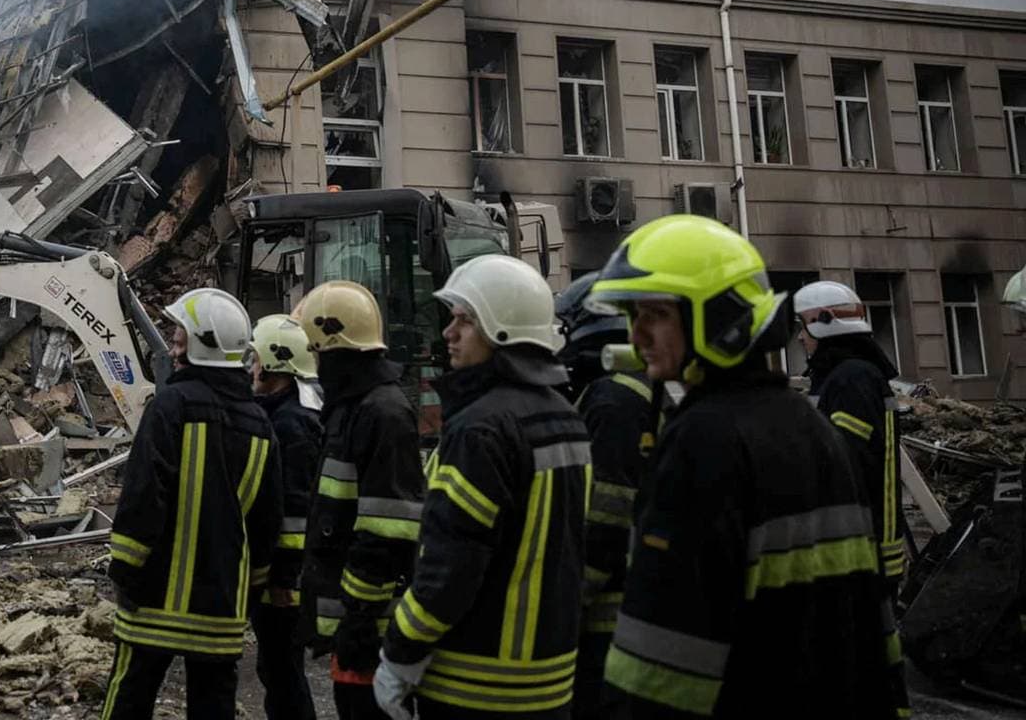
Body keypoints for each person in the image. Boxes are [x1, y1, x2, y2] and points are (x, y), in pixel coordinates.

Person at [587, 216, 907, 718]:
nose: (637, 333)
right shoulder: (808, 424)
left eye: (656, 314)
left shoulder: (702, 441)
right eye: (634, 315)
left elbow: (662, 660)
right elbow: (870, 621)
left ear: (716, 317)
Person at [372, 255, 589, 720]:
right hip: (550, 682)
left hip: (474, 685)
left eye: (465, 320)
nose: (449, 332)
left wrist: (400, 651)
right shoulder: (567, 418)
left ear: (501, 330)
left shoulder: (480, 428)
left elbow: (450, 566)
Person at [103, 287, 281, 720]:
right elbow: (266, 521)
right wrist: (252, 588)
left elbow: (143, 496)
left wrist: (124, 570)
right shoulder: (260, 424)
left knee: (129, 698)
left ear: (198, 347)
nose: (173, 350)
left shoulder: (170, 406)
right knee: (213, 706)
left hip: (153, 599)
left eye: (179, 341)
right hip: (221, 606)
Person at [294, 280, 424, 720]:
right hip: (356, 624)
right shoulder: (354, 408)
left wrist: (361, 616)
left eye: (316, 352)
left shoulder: (380, 413)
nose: (314, 364)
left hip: (373, 629)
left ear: (333, 348)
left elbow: (388, 529)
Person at [557, 272, 664, 719]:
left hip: (608, 618)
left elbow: (606, 516)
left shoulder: (610, 399)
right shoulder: (638, 387)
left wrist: (567, 602)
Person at [794, 281, 906, 591]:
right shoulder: (844, 375)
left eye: (803, 327)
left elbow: (844, 468)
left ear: (824, 321)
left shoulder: (851, 380)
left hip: (859, 555)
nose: (800, 337)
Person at [250, 314, 327, 720]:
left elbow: (296, 511)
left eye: (255, 359)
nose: (251, 368)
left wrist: (283, 579)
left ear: (273, 364)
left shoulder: (291, 425)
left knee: (282, 671)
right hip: (285, 572)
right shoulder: (286, 413)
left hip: (285, 579)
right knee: (277, 668)